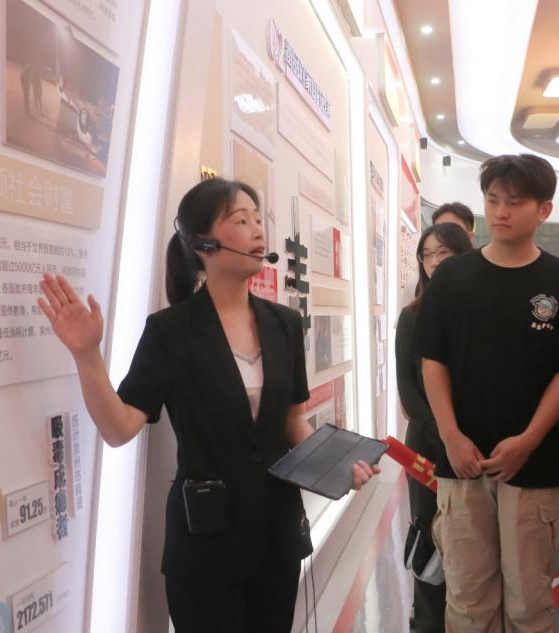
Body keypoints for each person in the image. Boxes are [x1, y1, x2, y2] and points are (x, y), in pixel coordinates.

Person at [36, 178, 377, 633]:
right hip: (205, 542)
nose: (258, 230)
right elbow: (119, 428)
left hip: (276, 535)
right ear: (204, 244)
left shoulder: (284, 324)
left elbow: (292, 420)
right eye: (241, 220)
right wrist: (86, 356)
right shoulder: (169, 331)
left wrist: (335, 466)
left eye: (258, 219)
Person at [413, 154, 559, 633]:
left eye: (514, 202)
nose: (500, 212)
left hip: (533, 465)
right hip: (462, 463)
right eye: (493, 200)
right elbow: (433, 361)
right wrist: (450, 436)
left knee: (529, 603)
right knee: (468, 602)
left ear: (543, 210)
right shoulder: (452, 278)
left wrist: (530, 439)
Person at [396, 222, 473, 633]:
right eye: (428, 254)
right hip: (426, 445)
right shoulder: (412, 316)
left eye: (445, 252)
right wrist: (444, 434)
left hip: (474, 444)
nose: (436, 261)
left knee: (472, 540)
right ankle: (429, 623)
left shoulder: (480, 314)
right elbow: (408, 390)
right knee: (429, 539)